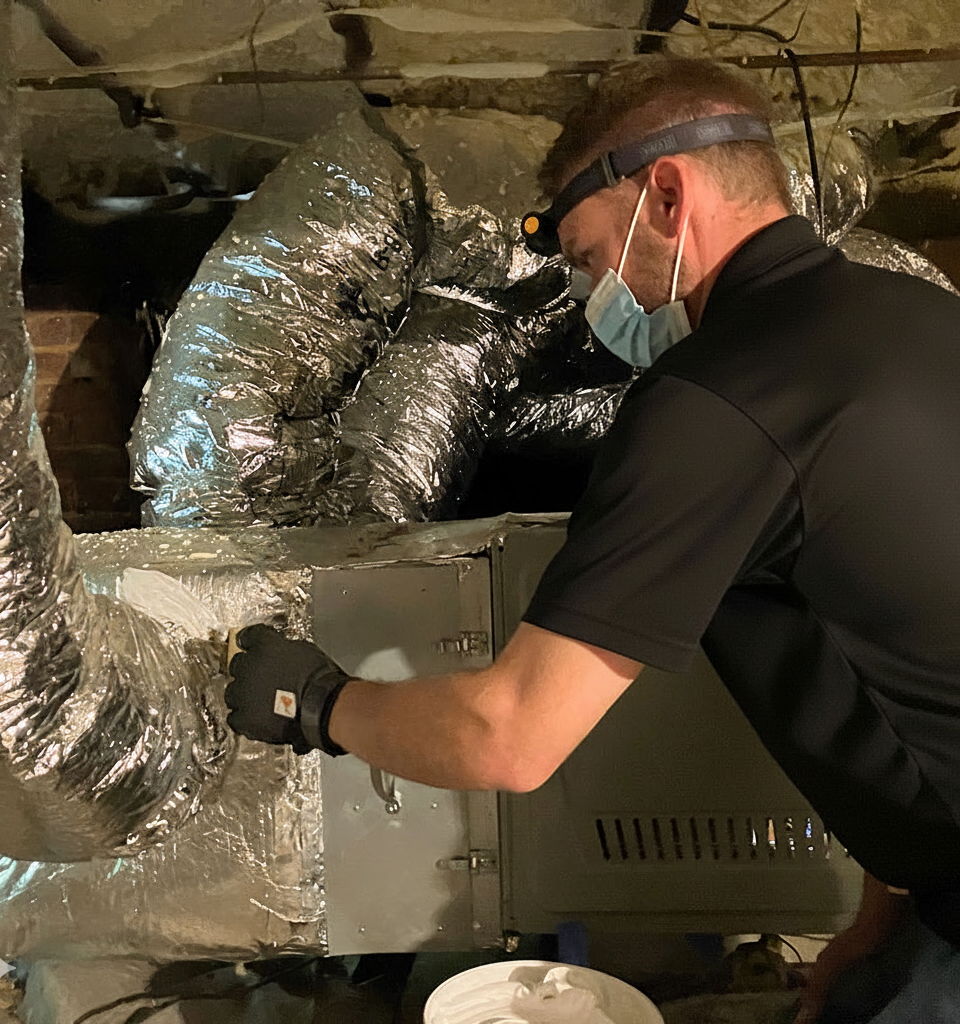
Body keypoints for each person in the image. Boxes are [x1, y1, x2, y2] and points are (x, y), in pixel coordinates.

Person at [226, 55, 960, 1022]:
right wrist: (885, 917)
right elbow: (900, 653)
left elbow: (510, 737)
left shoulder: (719, 399)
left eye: (582, 257)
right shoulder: (927, 321)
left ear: (665, 193)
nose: (587, 296)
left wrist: (316, 701)